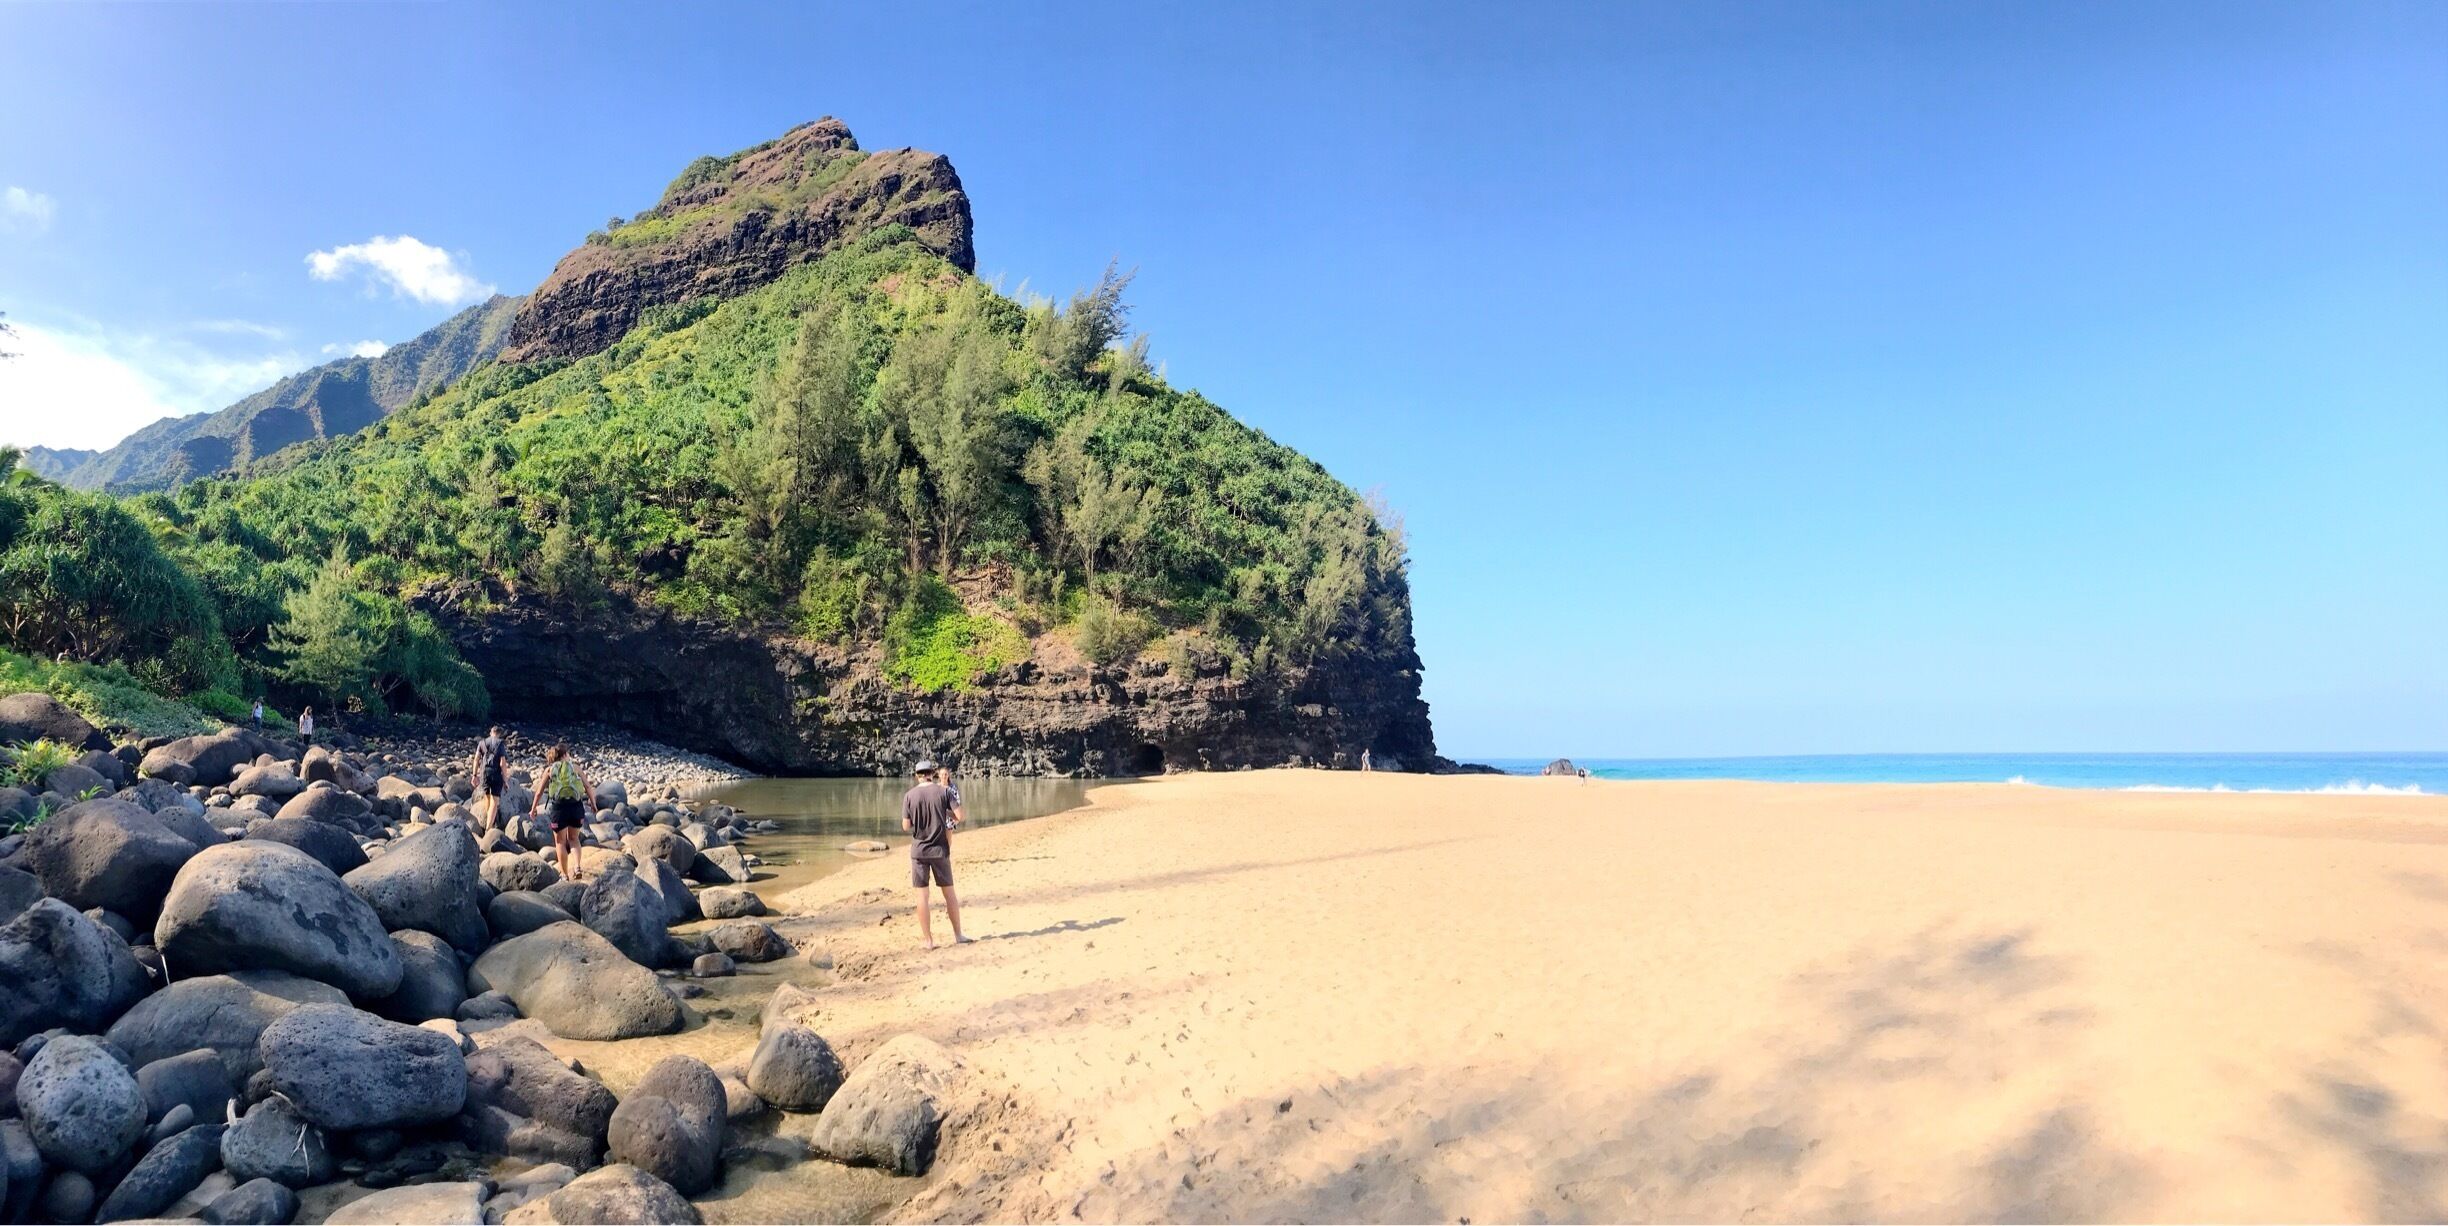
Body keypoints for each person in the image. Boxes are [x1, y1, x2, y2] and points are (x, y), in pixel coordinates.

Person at [902, 759, 967, 948]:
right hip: (940, 849)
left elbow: (906, 826)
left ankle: (928, 941)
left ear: (917, 776)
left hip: (919, 851)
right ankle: (958, 935)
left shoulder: (909, 796)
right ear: (932, 773)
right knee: (949, 894)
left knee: (922, 897)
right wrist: (944, 814)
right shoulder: (944, 791)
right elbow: (959, 816)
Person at [532, 743, 597, 882]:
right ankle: (578, 867)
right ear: (564, 755)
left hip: (559, 809)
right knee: (574, 839)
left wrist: (533, 808)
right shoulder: (576, 768)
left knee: (560, 842)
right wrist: (593, 803)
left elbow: (538, 792)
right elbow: (587, 786)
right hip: (576, 807)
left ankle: (564, 875)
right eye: (567, 753)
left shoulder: (549, 770)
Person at [470, 725, 509, 826]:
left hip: (484, 773)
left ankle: (489, 821)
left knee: (487, 798)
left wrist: (474, 775)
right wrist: (505, 780)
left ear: (491, 732)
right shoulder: (500, 743)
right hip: (495, 773)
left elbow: (476, 759)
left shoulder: (482, 743)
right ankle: (489, 827)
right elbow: (502, 763)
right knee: (495, 801)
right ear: (499, 734)